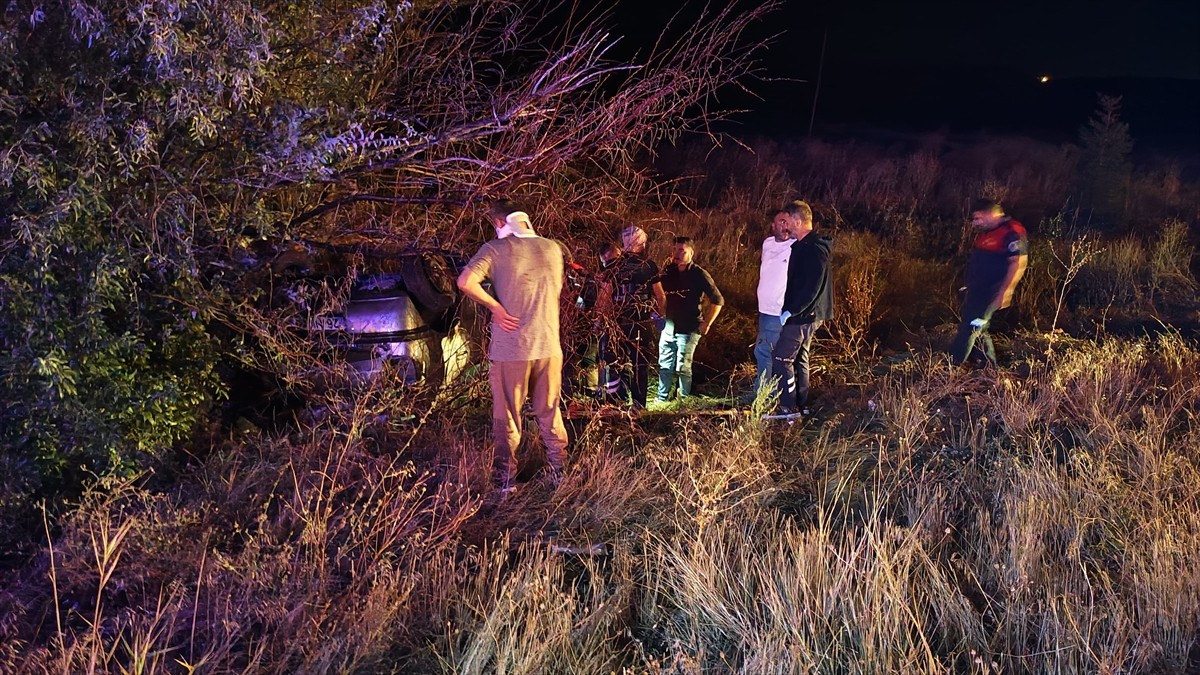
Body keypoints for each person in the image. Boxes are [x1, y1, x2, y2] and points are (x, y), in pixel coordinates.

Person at [456, 200, 569, 492]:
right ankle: (560, 472)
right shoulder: (553, 249)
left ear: (498, 222)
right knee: (549, 411)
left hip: (512, 349)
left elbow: (465, 281)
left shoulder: (496, 249)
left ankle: (505, 483)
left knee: (507, 416)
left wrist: (495, 307)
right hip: (549, 345)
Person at [949, 198, 1028, 367]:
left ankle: (950, 366)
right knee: (979, 327)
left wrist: (1005, 292)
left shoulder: (1011, 231)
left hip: (990, 293)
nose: (975, 223)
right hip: (977, 291)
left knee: (971, 327)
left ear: (991, 214)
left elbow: (1017, 262)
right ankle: (989, 367)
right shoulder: (989, 233)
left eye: (978, 218)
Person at [771, 200, 833, 416]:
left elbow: (813, 286)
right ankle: (801, 405)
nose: (785, 226)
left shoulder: (813, 249)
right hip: (806, 314)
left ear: (797, 220)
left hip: (804, 316)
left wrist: (793, 310)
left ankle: (788, 407)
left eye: (788, 221)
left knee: (782, 358)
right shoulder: (806, 246)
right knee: (799, 358)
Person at [597, 225, 662, 408]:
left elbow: (604, 297)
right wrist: (659, 315)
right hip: (641, 323)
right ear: (642, 243)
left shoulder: (613, 265)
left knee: (616, 363)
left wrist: (600, 320)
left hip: (618, 324)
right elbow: (660, 296)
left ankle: (615, 402)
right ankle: (639, 405)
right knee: (640, 364)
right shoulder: (648, 265)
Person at [654, 236, 724, 402]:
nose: (676, 254)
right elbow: (656, 293)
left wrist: (706, 323)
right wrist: (658, 315)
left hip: (690, 327)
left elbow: (718, 300)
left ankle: (683, 400)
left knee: (683, 367)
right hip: (668, 326)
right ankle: (662, 398)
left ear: (691, 253)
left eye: (681, 250)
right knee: (665, 365)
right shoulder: (667, 271)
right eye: (675, 249)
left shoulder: (699, 274)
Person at [750, 208, 795, 400]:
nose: (784, 226)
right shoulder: (767, 244)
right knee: (769, 353)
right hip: (764, 310)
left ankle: (764, 396)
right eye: (780, 222)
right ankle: (772, 394)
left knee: (764, 351)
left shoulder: (794, 245)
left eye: (787, 222)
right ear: (773, 225)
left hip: (778, 311)